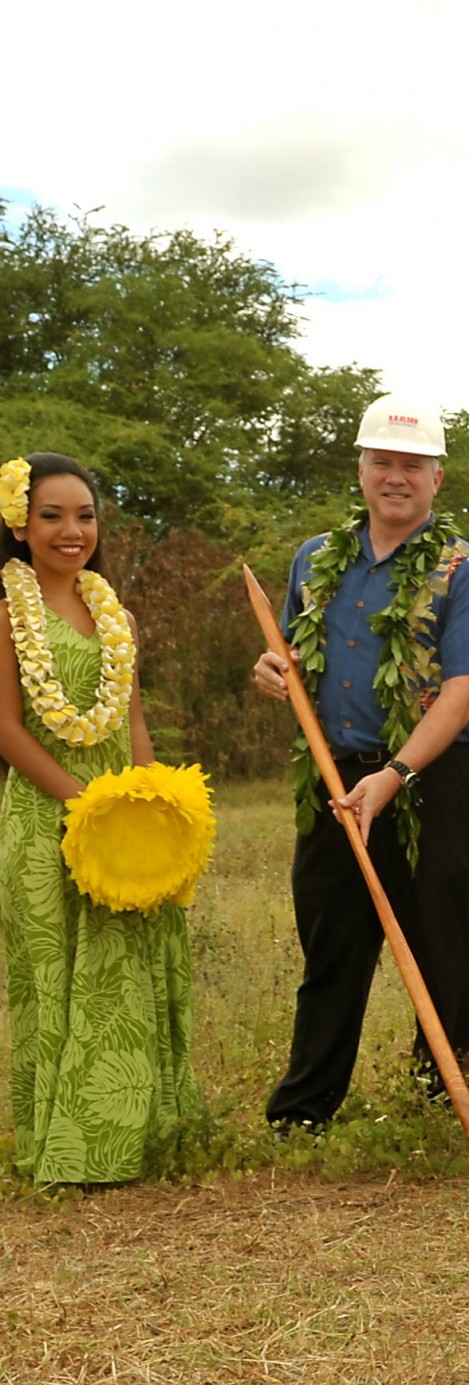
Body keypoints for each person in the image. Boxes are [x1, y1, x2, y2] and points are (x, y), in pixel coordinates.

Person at [253, 396, 469, 1129]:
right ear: (361, 469)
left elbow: (461, 695)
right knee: (332, 942)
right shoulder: (316, 558)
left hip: (436, 781)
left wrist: (395, 774)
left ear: (437, 479)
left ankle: (437, 1106)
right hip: (336, 778)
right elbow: (294, 658)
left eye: (412, 465)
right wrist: (275, 671)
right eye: (382, 462)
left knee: (437, 944)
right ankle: (303, 1111)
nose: (395, 477)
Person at [0, 453, 198, 1182]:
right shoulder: (5, 613)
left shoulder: (118, 616)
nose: (71, 529)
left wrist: (150, 806)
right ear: (18, 524)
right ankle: (64, 1147)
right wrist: (80, 802)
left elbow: (132, 722)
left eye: (84, 514)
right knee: (55, 978)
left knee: (122, 974)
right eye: (51, 514)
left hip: (120, 820)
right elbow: (7, 728)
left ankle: (128, 1137)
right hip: (43, 817)